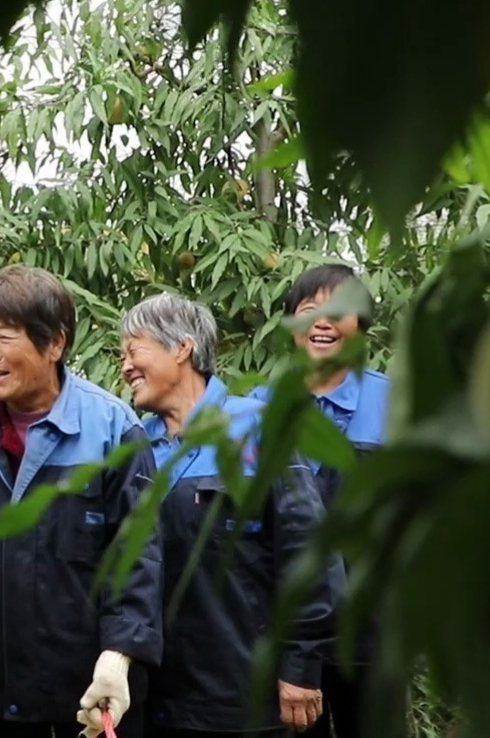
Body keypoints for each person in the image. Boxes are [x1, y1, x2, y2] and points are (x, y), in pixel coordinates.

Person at [0, 264, 163, 738]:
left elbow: (139, 554)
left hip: (91, 697)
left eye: (6, 337)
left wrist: (119, 653)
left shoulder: (113, 430)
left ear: (55, 343)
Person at [120, 293, 338, 738]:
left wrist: (300, 666)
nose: (125, 367)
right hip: (158, 702)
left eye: (133, 350)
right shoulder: (135, 446)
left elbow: (308, 553)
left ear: (182, 348)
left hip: (246, 699)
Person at [249, 264, 395, 738]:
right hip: (287, 638)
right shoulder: (259, 409)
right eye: (309, 309)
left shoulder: (395, 404)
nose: (322, 322)